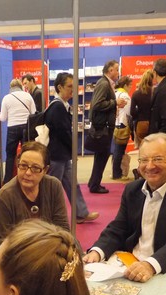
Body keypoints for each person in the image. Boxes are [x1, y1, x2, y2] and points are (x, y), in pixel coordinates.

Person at [83, 133, 166, 287]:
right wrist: (97, 251)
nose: (149, 166)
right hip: (130, 266)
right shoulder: (132, 190)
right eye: (143, 160)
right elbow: (119, 227)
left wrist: (150, 265)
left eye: (158, 159)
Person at [0, 142, 69, 253]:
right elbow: (0, 243)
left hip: (51, 252)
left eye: (35, 168)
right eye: (23, 166)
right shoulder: (5, 195)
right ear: (17, 163)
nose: (28, 173)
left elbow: (63, 230)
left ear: (45, 170)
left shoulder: (54, 186)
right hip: (16, 256)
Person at [44, 72, 98, 223]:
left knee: (73, 185)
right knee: (52, 189)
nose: (72, 90)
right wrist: (74, 150)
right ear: (59, 87)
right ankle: (47, 218)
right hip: (56, 156)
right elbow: (64, 133)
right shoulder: (57, 107)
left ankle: (81, 213)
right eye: (69, 87)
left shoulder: (61, 106)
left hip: (62, 155)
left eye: (74, 87)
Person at [87, 59, 127, 194]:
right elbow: (97, 104)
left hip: (103, 126)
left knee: (101, 156)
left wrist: (114, 105)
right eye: (117, 69)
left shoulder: (104, 83)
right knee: (102, 156)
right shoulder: (104, 84)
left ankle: (93, 182)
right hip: (102, 127)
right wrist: (115, 102)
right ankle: (94, 185)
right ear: (110, 70)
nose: (118, 72)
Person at [0, 78, 35, 182]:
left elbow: (3, 118)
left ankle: (7, 180)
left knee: (10, 155)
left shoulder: (6, 98)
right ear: (21, 86)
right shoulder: (28, 96)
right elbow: (34, 113)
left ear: (10, 87)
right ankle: (27, 177)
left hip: (12, 128)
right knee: (26, 154)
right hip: (26, 127)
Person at [111, 75, 132, 180]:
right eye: (130, 85)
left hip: (115, 124)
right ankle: (117, 173)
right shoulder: (125, 96)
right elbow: (128, 112)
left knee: (116, 150)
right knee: (120, 151)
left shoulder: (114, 93)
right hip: (123, 124)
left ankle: (115, 172)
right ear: (125, 85)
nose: (131, 88)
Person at [131, 69, 154, 148]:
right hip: (153, 123)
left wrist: (139, 114)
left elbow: (132, 112)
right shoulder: (155, 92)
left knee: (142, 147)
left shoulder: (136, 94)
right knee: (153, 147)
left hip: (141, 123)